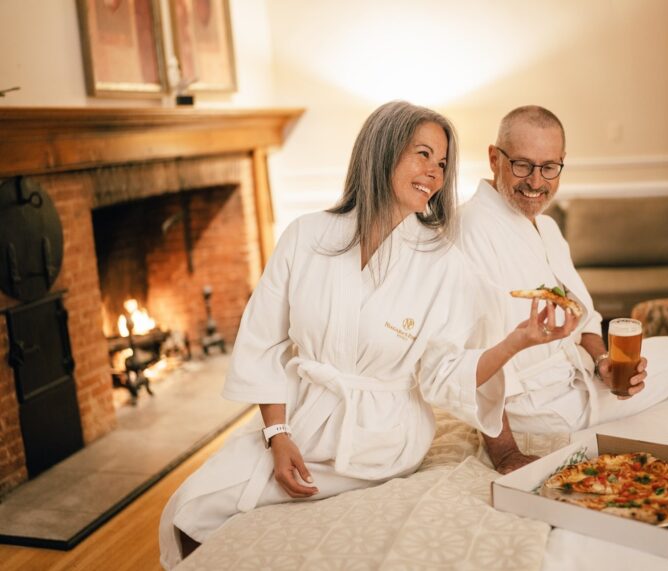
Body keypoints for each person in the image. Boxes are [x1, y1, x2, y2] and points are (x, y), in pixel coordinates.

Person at [159, 101, 575, 568]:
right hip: (301, 421)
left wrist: (517, 340)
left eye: (441, 164)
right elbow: (264, 342)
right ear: (382, 151)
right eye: (422, 155)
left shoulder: (443, 262)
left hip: (384, 438)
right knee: (187, 509)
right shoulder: (306, 236)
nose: (434, 174)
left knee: (211, 507)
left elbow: (444, 374)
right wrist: (277, 435)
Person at [457, 105, 668, 474]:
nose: (536, 182)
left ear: (562, 163)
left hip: (579, 380)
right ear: (494, 158)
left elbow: (587, 318)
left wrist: (604, 364)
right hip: (535, 408)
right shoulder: (472, 229)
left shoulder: (548, 229)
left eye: (549, 167)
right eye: (522, 165)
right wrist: (506, 452)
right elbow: (474, 352)